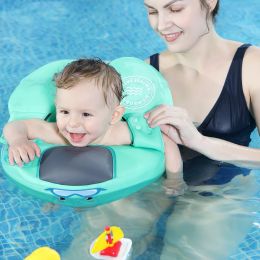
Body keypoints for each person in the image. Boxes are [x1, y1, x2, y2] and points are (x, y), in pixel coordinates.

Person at [3, 58, 186, 195]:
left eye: (86, 114)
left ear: (114, 116)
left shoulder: (118, 133)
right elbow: (16, 126)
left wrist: (175, 180)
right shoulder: (56, 132)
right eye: (64, 112)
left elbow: (165, 142)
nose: (73, 124)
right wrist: (18, 140)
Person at [143, 0, 260, 185]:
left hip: (224, 190)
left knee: (190, 215)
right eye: (152, 11)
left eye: (175, 9)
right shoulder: (146, 74)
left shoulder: (252, 66)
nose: (161, 25)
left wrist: (200, 142)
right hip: (160, 185)